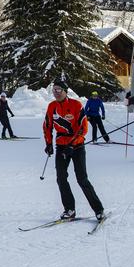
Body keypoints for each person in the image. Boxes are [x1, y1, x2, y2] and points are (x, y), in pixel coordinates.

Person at [43, 79, 105, 221]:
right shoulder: (52, 106)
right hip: (61, 146)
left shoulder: (76, 105)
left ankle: (99, 209)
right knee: (61, 178)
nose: (56, 92)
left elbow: (83, 128)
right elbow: (47, 126)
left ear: (65, 91)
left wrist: (72, 144)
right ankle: (69, 209)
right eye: (54, 90)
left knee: (82, 179)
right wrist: (48, 143)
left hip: (77, 146)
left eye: (59, 90)